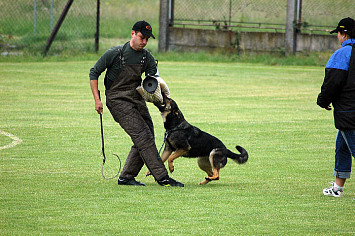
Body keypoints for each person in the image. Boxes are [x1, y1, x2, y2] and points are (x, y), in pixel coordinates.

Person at [89, 20, 184, 187]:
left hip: (136, 97)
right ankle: (162, 177)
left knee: (147, 134)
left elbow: (153, 80)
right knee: (143, 136)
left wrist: (161, 93)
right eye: (142, 37)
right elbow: (94, 72)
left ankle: (126, 177)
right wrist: (97, 99)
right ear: (133, 34)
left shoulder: (147, 57)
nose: (145, 42)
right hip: (117, 100)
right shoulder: (115, 53)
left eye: (147, 39)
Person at [317, 17, 355, 197]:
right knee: (342, 146)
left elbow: (332, 83)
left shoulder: (343, 54)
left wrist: (323, 101)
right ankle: (337, 188)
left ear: (343, 34)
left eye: (338, 34)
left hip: (349, 112)